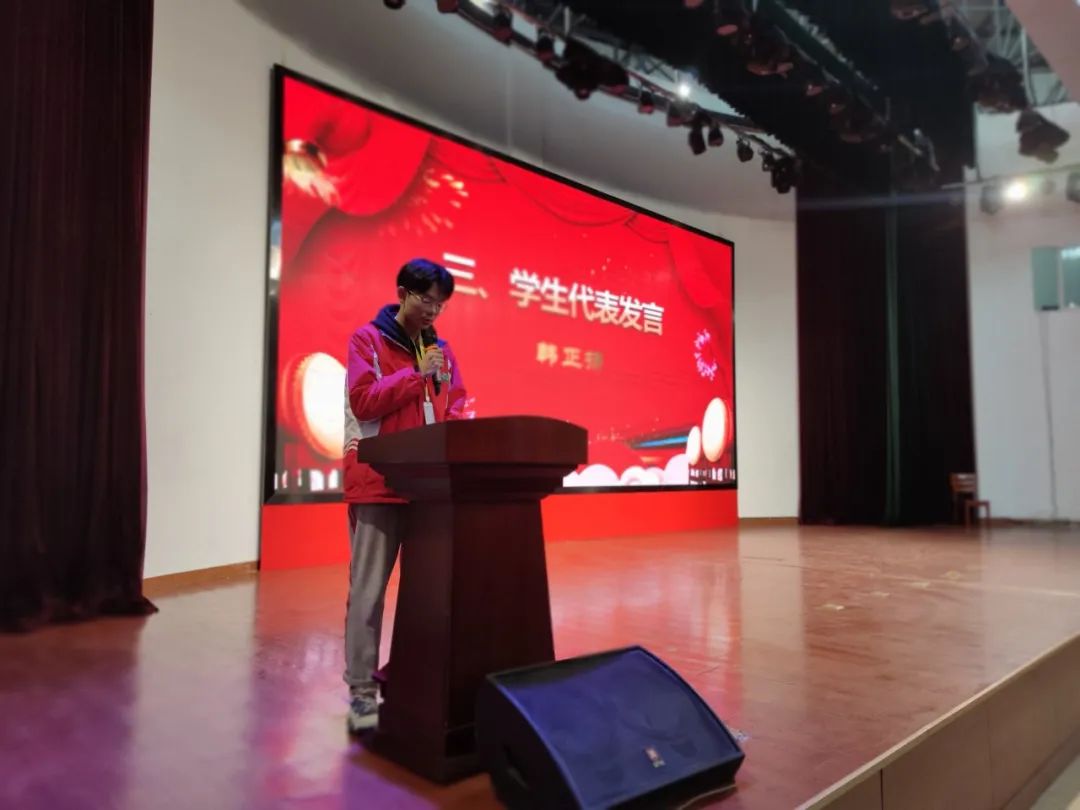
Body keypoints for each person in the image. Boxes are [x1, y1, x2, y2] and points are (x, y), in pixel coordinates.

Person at [341, 258, 466, 734]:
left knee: (426, 593)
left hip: (428, 489)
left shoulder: (442, 352)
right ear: (402, 293)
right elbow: (363, 402)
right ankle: (361, 692)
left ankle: (410, 679)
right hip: (378, 484)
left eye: (441, 304)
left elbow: (455, 405)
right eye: (426, 299)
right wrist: (416, 373)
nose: (433, 310)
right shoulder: (367, 341)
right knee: (368, 592)